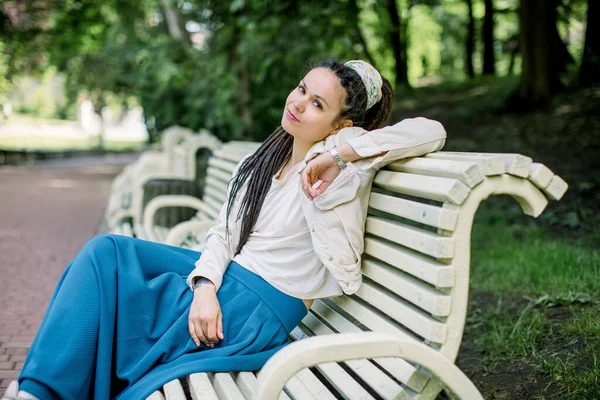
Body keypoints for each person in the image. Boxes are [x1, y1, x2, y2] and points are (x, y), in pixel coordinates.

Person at [2, 60, 446, 400]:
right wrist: (204, 286)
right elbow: (223, 234)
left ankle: (45, 391)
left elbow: (430, 130)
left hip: (258, 305)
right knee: (107, 254)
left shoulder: (342, 170)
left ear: (342, 125)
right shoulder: (265, 160)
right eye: (302, 89)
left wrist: (343, 154)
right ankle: (39, 390)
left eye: (317, 104)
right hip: (227, 282)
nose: (297, 102)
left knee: (117, 278)